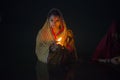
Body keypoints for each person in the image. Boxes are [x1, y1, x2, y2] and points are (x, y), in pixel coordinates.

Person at [35, 8, 78, 80]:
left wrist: (65, 47)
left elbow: (70, 48)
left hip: (63, 58)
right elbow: (40, 47)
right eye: (52, 20)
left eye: (57, 20)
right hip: (50, 57)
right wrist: (50, 47)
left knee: (68, 38)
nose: (54, 23)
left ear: (61, 21)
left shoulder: (66, 33)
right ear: (48, 21)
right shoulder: (42, 33)